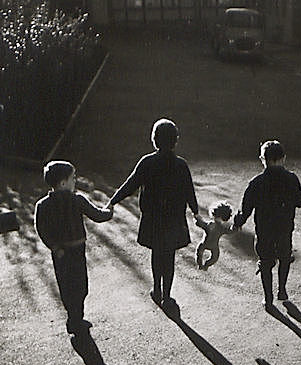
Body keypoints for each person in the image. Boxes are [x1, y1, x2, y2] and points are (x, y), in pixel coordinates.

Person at [107, 118, 200, 310]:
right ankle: (167, 295)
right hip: (174, 218)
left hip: (153, 217)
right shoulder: (181, 165)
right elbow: (189, 191)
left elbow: (130, 185)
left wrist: (113, 201)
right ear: (176, 141)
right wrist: (196, 212)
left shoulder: (147, 162)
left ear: (154, 140)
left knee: (157, 254)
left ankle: (156, 289)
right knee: (169, 256)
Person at [34, 161, 113, 334]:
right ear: (63, 182)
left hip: (60, 252)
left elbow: (42, 230)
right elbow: (97, 215)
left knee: (66, 284)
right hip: (77, 249)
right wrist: (109, 211)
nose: (75, 181)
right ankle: (77, 319)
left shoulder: (42, 205)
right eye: (73, 178)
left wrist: (54, 246)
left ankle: (73, 317)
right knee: (80, 285)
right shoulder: (77, 200)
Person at [233, 140, 301, 309]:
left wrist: (238, 223)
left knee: (265, 262)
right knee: (285, 257)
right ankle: (282, 289)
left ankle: (268, 297)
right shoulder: (291, 179)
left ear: (262, 159)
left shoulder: (257, 183)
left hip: (264, 229)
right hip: (284, 227)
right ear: (284, 158)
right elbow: (299, 201)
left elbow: (246, 208)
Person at [195, 201, 235, 270]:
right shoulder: (211, 225)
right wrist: (197, 220)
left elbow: (229, 231)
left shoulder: (221, 228)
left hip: (213, 246)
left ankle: (206, 264)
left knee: (214, 257)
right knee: (199, 253)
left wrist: (234, 228)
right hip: (206, 244)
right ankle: (200, 265)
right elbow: (202, 224)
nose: (218, 219)